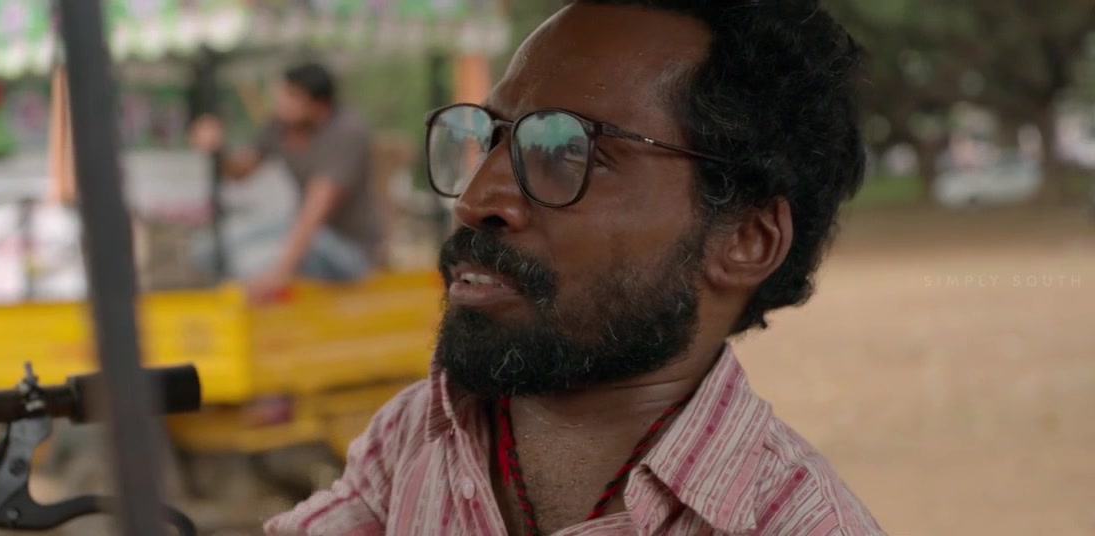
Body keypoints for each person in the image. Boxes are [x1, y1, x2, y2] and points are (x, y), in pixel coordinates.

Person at [266, 1, 884, 535]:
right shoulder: (421, 435)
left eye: (566, 151)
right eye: (490, 139)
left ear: (746, 240)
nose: (475, 201)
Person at [190, 62, 381, 302]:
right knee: (207, 249)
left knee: (251, 263)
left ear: (319, 104)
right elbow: (241, 171)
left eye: (291, 97)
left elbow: (316, 209)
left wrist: (278, 273)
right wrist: (217, 149)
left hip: (350, 250)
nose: (281, 103)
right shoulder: (281, 126)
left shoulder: (346, 132)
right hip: (303, 229)